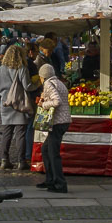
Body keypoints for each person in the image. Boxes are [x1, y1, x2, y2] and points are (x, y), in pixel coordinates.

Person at [0, 44, 32, 170]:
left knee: (6, 132)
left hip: (5, 102)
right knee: (20, 133)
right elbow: (27, 86)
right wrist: (37, 84)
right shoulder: (21, 67)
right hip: (18, 102)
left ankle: (4, 159)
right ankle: (21, 161)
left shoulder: (1, 69)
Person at [35, 62, 70, 193]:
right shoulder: (59, 82)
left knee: (53, 153)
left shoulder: (48, 84)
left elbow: (57, 101)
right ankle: (50, 180)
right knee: (45, 149)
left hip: (57, 122)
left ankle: (60, 184)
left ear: (43, 76)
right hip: (64, 121)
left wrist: (44, 105)